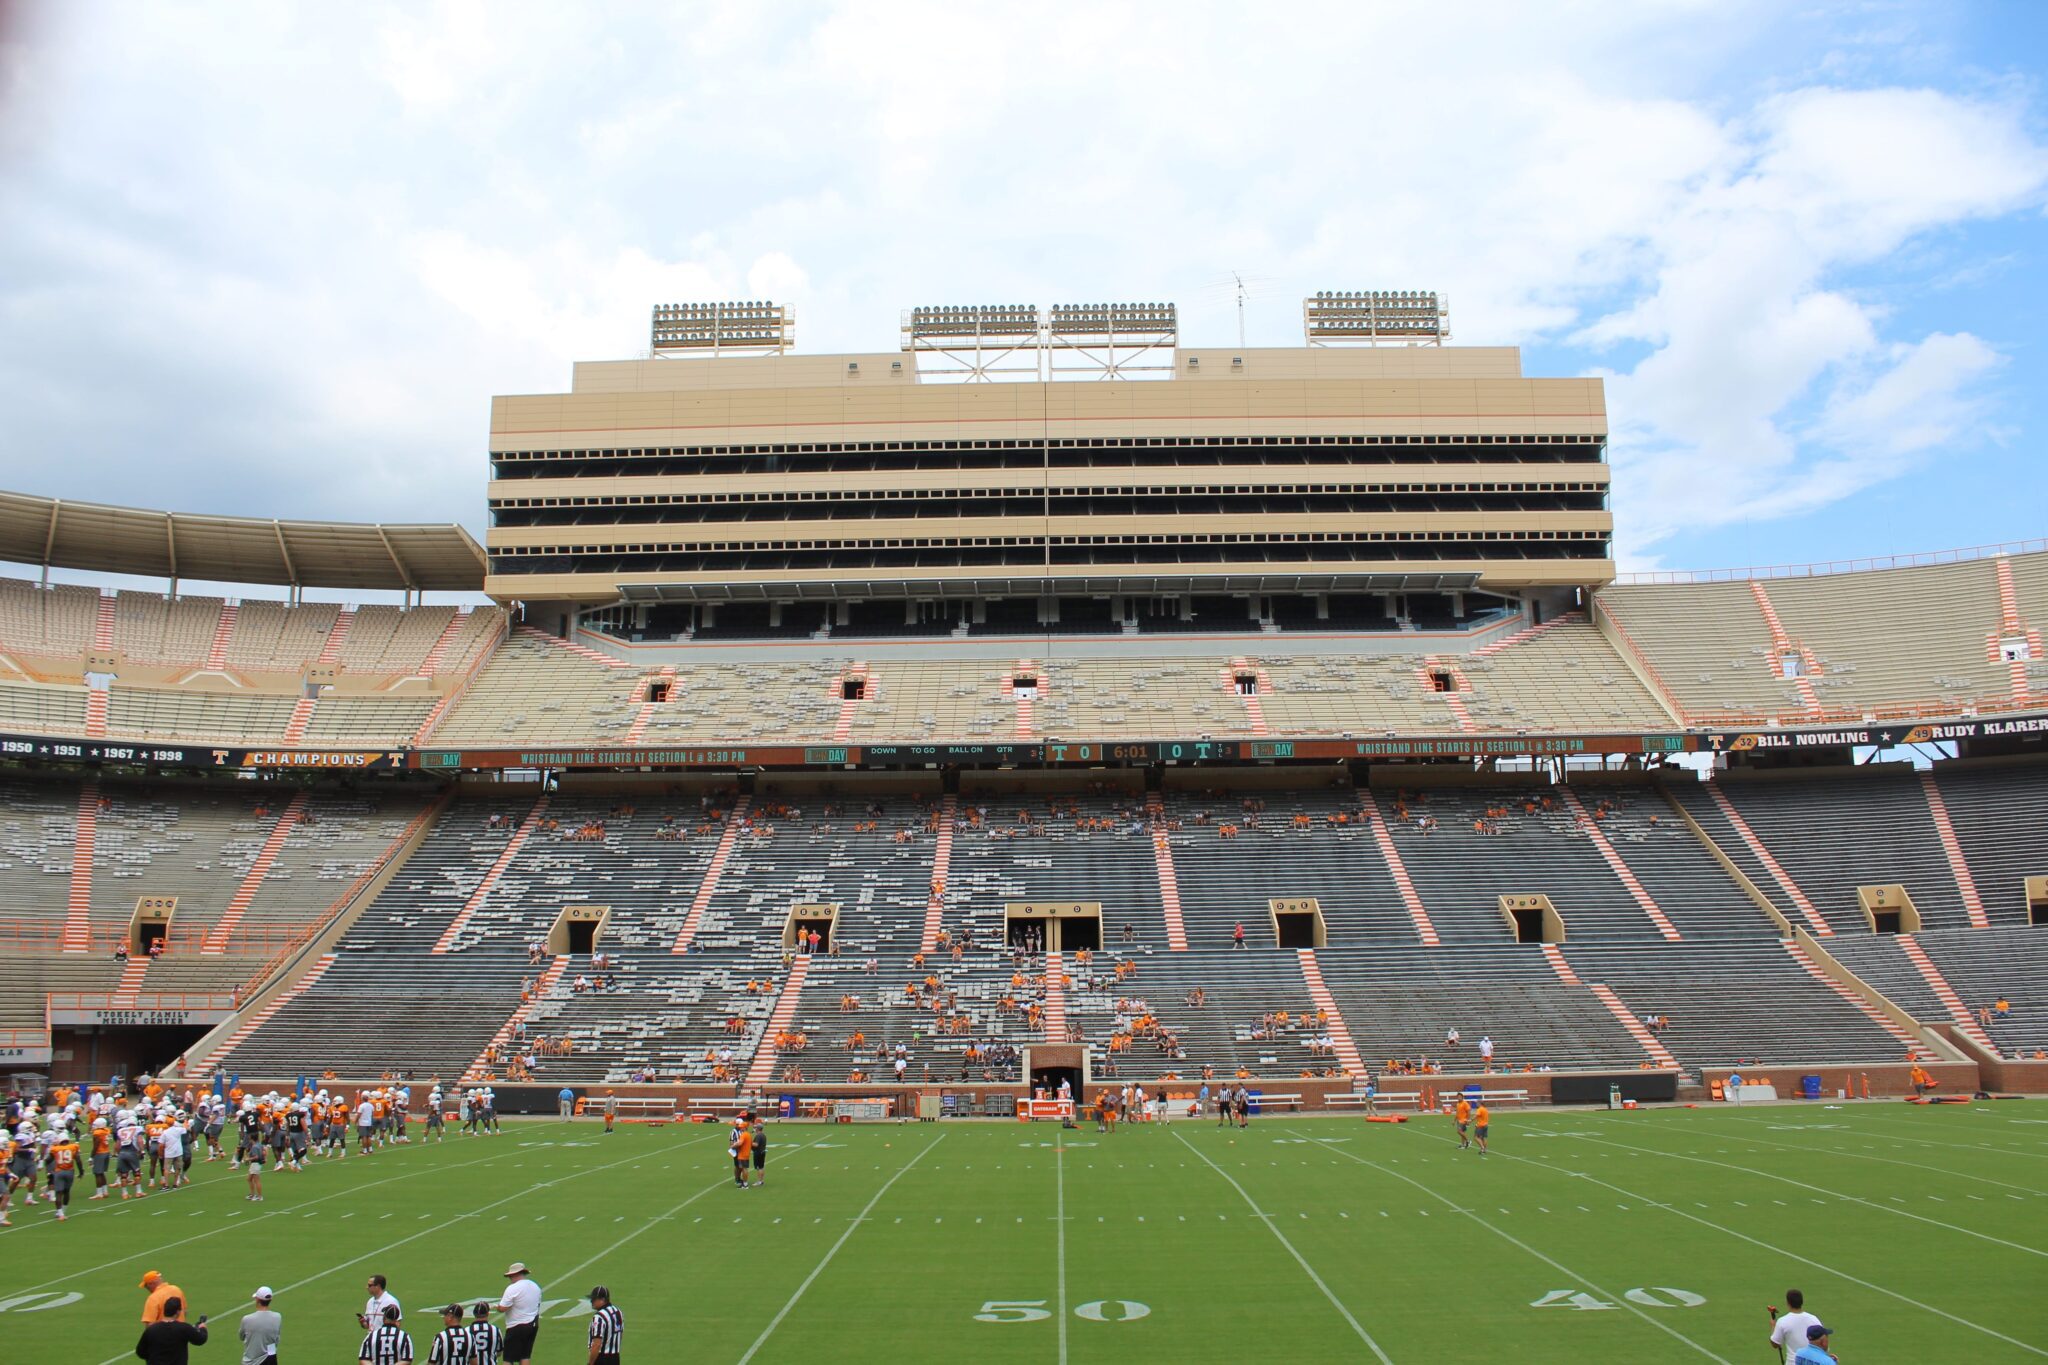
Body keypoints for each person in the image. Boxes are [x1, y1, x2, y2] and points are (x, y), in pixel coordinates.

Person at [493, 1262, 543, 1364]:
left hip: (516, 1326)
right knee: (525, 1355)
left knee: (508, 1358)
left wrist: (497, 1307)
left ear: (515, 1274)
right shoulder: (535, 1286)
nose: (510, 1278)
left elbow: (503, 1308)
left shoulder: (513, 1288)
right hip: (532, 1324)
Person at [135, 1297, 208, 1365]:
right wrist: (203, 1328)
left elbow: (140, 1351)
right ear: (178, 1312)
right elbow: (200, 1339)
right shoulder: (184, 1328)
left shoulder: (151, 1329)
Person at [1770, 1289, 1821, 1361]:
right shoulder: (1814, 1319)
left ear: (1788, 1303)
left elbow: (1775, 1343)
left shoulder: (1782, 1321)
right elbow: (1822, 1341)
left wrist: (1773, 1326)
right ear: (1802, 1302)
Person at [238, 1286, 280, 1365]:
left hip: (252, 1361)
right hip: (271, 1359)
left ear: (257, 1300)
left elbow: (241, 1337)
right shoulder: (277, 1317)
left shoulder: (247, 1319)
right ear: (270, 1299)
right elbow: (276, 1338)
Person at [586, 1285, 624, 1365]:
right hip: (615, 1358)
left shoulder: (599, 1317)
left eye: (594, 1299)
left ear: (602, 1299)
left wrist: (590, 1363)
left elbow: (597, 1344)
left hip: (601, 1358)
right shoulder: (618, 1312)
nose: (591, 1301)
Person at [749, 1115, 767, 1188]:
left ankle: (759, 1181)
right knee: (761, 1167)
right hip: (762, 1152)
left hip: (758, 1152)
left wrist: (749, 1142)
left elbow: (756, 1144)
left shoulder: (758, 1136)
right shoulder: (763, 1135)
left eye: (756, 1127)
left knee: (759, 1167)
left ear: (758, 1129)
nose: (755, 1129)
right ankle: (761, 1180)